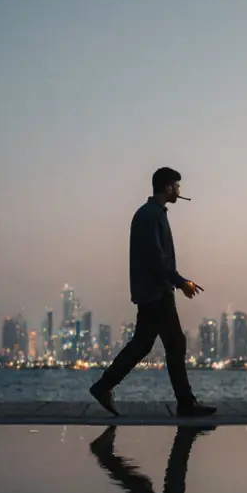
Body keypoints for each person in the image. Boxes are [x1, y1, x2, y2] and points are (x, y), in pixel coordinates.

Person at [89, 167, 216, 418]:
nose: (180, 191)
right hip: (156, 293)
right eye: (177, 186)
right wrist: (180, 282)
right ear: (168, 187)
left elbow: (157, 257)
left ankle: (103, 386)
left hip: (153, 291)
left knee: (143, 344)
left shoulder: (153, 214)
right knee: (174, 343)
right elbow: (155, 258)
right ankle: (186, 403)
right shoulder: (150, 216)